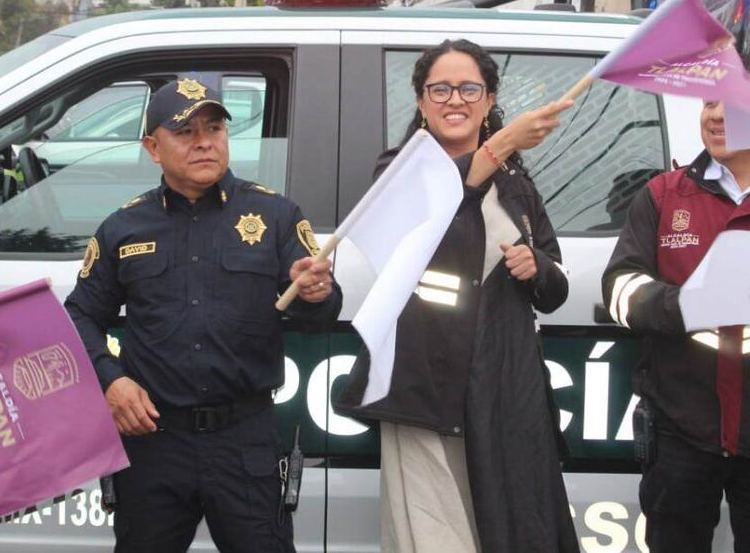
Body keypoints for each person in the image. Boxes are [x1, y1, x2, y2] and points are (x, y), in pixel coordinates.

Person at [65, 78, 342, 552]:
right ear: (153, 147)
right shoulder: (123, 227)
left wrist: (317, 293)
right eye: (185, 132)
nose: (204, 142)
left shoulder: (275, 215)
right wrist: (110, 380)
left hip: (244, 441)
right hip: (154, 441)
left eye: (214, 128)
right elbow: (79, 316)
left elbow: (320, 318)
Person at [336, 39, 579, 553]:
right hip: (423, 389)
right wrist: (501, 146)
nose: (455, 100)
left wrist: (537, 268)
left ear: (489, 100)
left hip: (502, 390)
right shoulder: (399, 171)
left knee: (510, 529)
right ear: (421, 102)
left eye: (469, 88)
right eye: (439, 89)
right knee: (435, 535)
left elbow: (555, 287)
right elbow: (442, 214)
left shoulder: (516, 183)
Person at [602, 65, 750, 552]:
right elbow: (619, 287)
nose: (715, 115)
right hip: (681, 428)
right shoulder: (663, 196)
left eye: (730, 102)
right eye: (709, 103)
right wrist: (687, 305)